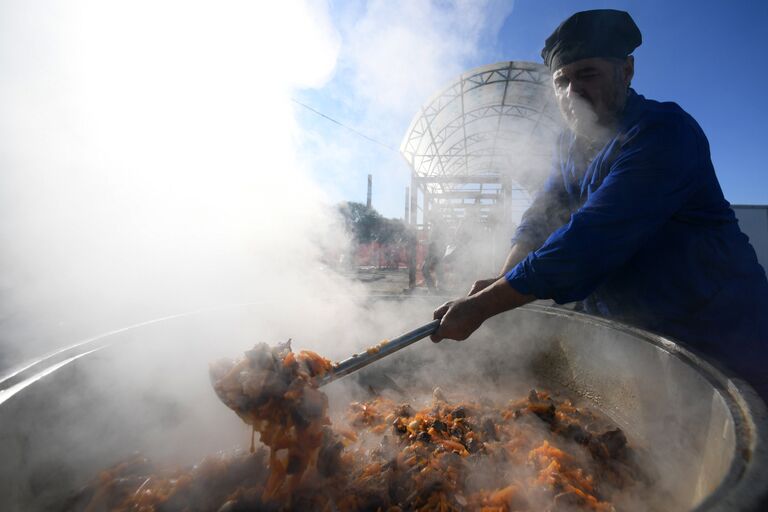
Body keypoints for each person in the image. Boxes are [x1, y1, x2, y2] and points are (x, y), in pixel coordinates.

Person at [431, 9, 768, 397]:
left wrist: (483, 306)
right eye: (562, 81)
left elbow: (590, 240)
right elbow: (541, 215)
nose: (572, 92)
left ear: (626, 71)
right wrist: (504, 277)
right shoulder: (571, 146)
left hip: (718, 342)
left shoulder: (663, 133)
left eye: (587, 75)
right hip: (634, 342)